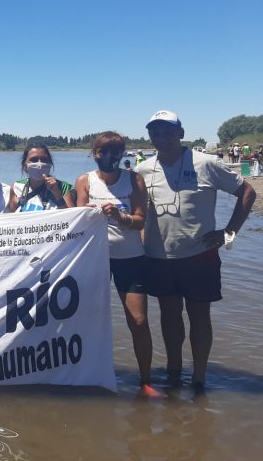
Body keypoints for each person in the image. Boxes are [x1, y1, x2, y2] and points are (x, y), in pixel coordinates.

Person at [138, 110, 255, 390]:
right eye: (155, 132)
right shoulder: (142, 170)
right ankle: (174, 371)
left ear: (181, 133)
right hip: (159, 256)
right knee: (168, 315)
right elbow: (136, 211)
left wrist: (229, 232)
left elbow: (248, 193)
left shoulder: (207, 163)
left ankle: (200, 378)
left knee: (200, 317)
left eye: (168, 131)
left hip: (199, 255)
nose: (161, 137)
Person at [75, 132, 160, 397]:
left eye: (114, 151)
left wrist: (120, 216)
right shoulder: (84, 180)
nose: (108, 157)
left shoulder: (133, 179)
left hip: (130, 257)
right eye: (102, 151)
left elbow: (140, 221)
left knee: (138, 319)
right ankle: (84, 375)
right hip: (94, 259)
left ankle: (145, 381)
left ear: (122, 154)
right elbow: (77, 222)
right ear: (94, 152)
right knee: (85, 320)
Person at [8, 142, 74, 212]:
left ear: (50, 164)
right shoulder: (17, 187)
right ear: (25, 166)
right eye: (34, 160)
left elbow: (73, 218)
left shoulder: (64, 188)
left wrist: (57, 193)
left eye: (44, 160)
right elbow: (12, 218)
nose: (39, 164)